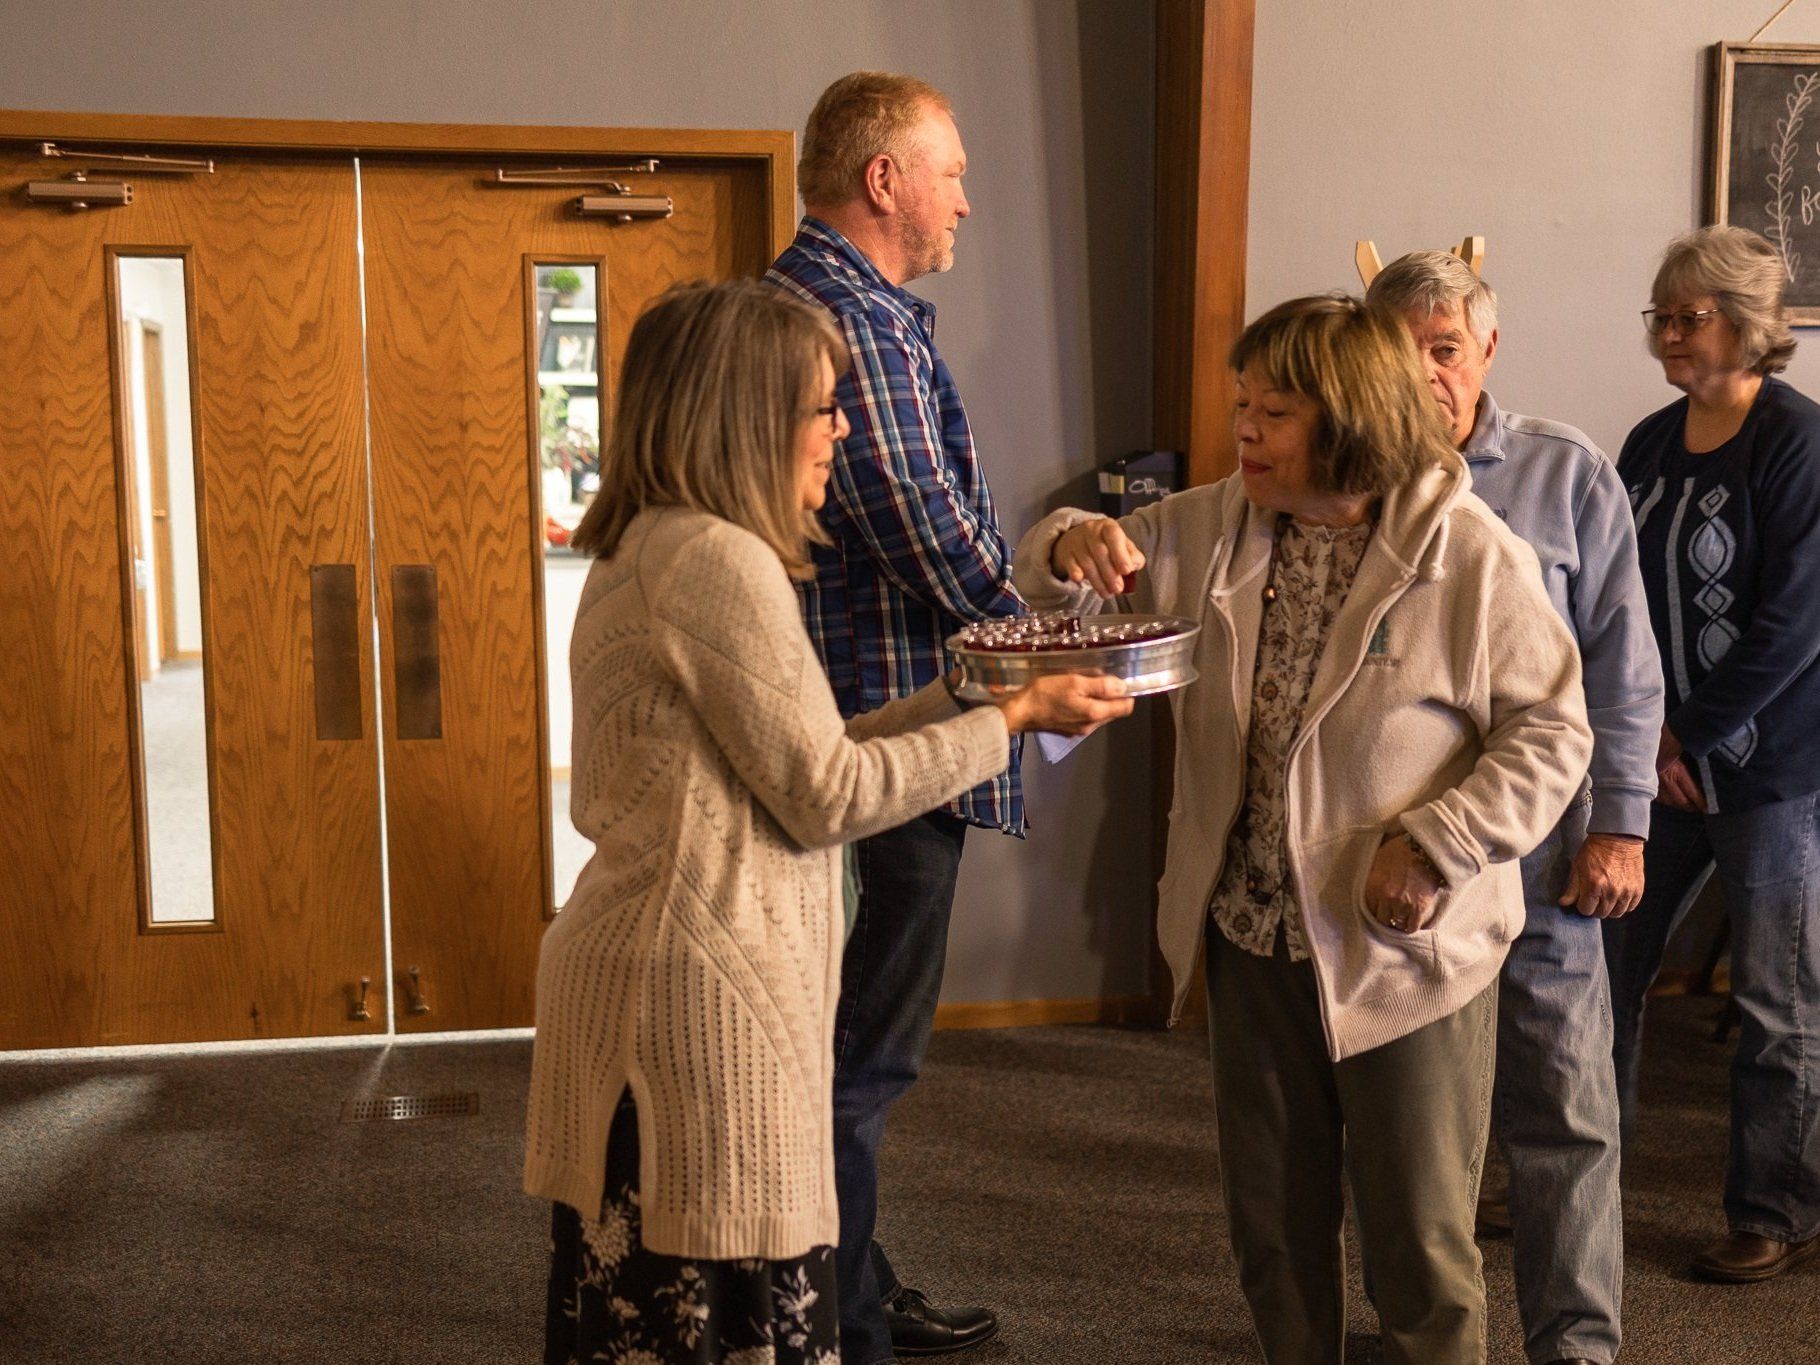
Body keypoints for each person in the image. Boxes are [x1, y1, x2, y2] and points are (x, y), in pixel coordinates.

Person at [521, 281, 1130, 1365]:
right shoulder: (716, 560)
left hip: (654, 982)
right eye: (819, 408)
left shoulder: (656, 544)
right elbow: (830, 797)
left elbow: (806, 752)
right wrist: (1015, 720)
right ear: (743, 418)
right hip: (694, 1008)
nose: (839, 433)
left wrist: (974, 695)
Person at [1014, 295, 1593, 1364]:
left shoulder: (1468, 556)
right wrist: (1069, 541)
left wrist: (1439, 844)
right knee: (1272, 1236)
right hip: (1249, 936)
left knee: (1416, 1252)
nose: (1242, 431)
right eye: (1242, 404)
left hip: (1403, 954)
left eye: (1272, 414)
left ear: (1352, 420)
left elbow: (1553, 734)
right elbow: (1056, 572)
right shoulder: (1213, 520)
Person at [765, 71, 1024, 1362]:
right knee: (859, 1064)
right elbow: (923, 527)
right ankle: (838, 1322)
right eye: (954, 171)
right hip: (886, 747)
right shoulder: (851, 320)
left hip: (861, 730)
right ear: (884, 181)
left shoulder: (818, 303)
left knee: (841, 1054)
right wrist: (1043, 642)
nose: (967, 198)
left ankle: (852, 1284)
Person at [1366, 252, 1663, 1365]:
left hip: (1539, 858)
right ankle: (1425, 1340)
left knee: (1562, 1119)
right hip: (1395, 862)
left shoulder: (1565, 473)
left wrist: (1620, 824)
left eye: (1443, 348)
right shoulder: (1350, 474)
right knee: (1410, 1137)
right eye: (1398, 350)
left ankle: (1575, 1348)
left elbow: (1622, 667)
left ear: (1485, 349)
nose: (1422, 372)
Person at [1604, 225, 1820, 1285]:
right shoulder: (1644, 445)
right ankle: (1574, 1173)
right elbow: (1607, 600)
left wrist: (1689, 732)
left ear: (1748, 325)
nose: (1668, 336)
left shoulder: (1795, 441)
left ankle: (1770, 1211)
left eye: (1688, 317)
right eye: (1661, 315)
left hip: (1771, 772)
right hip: (1652, 767)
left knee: (1773, 1000)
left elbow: (1791, 625)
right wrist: (1645, 740)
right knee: (1600, 970)